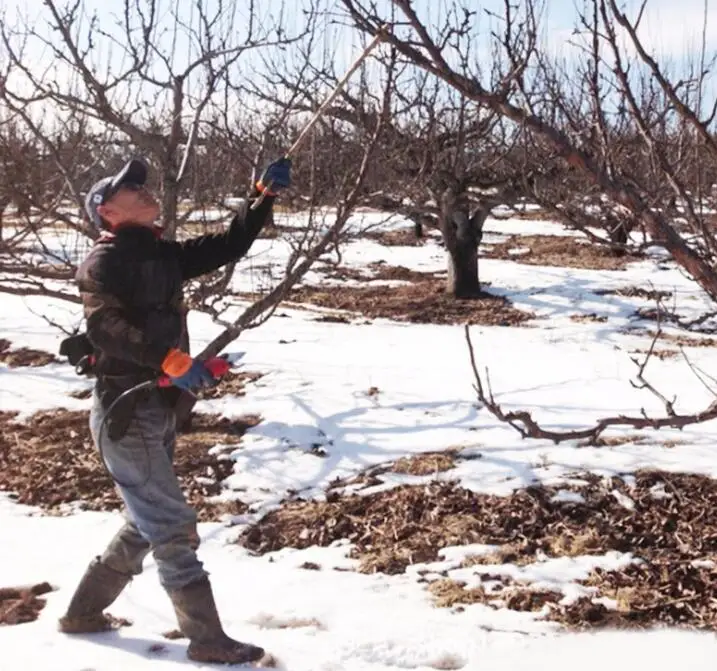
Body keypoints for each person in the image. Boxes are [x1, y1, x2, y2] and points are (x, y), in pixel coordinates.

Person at [57, 156, 291, 665]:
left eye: (142, 185)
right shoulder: (104, 263)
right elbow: (105, 329)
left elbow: (227, 246)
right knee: (170, 525)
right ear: (107, 214)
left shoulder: (159, 255)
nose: (143, 192)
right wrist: (169, 358)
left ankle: (81, 614)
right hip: (125, 411)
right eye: (129, 191)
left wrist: (261, 200)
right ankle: (206, 639)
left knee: (146, 520)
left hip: (156, 406)